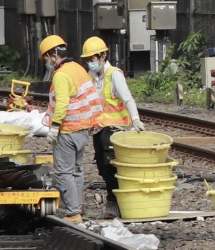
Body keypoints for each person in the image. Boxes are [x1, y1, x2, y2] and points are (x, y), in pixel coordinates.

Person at [40, 34, 103, 224]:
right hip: (84, 130)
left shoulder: (61, 75)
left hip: (68, 131)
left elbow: (62, 104)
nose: (46, 62)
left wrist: (54, 127)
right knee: (76, 170)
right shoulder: (78, 69)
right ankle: (77, 207)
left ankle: (73, 212)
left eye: (46, 58)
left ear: (53, 55)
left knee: (63, 172)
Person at [81, 36, 143, 198]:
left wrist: (135, 119)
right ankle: (115, 196)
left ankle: (115, 199)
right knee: (102, 165)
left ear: (103, 57)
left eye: (92, 59)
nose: (90, 62)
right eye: (87, 59)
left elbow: (127, 98)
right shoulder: (90, 76)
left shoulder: (114, 75)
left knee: (111, 164)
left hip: (115, 129)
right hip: (98, 129)